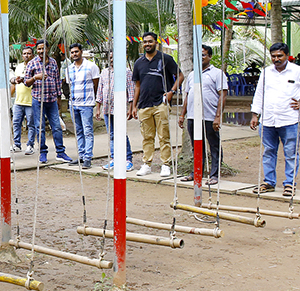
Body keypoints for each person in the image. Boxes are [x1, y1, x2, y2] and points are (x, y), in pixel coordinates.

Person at [249, 42, 300, 198]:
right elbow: (259, 93)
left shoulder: (298, 71)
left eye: (279, 56)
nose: (276, 59)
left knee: (290, 152)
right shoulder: (266, 72)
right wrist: (255, 114)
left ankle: (290, 183)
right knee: (268, 151)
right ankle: (269, 182)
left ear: (286, 55)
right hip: (268, 119)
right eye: (273, 56)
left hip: (289, 119)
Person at [131, 32, 181, 177]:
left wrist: (172, 91)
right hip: (144, 104)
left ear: (156, 43)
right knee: (147, 137)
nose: (147, 44)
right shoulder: (139, 63)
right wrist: (134, 106)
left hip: (161, 103)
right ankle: (147, 164)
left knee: (164, 136)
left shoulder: (165, 59)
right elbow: (137, 86)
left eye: (150, 42)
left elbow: (180, 75)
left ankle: (166, 165)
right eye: (145, 42)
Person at [178, 44, 227, 185]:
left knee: (214, 145)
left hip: (210, 116)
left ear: (210, 56)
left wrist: (218, 116)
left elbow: (222, 96)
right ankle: (196, 172)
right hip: (193, 116)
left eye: (203, 55)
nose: (200, 58)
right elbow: (187, 96)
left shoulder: (217, 73)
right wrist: (182, 115)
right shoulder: (192, 75)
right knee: (197, 145)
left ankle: (214, 174)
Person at [25, 40, 73, 164]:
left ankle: (60, 152)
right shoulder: (32, 63)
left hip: (52, 100)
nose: (41, 51)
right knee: (39, 127)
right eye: (39, 49)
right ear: (36, 50)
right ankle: (42, 153)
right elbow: (26, 82)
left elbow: (57, 81)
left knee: (57, 126)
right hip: (38, 100)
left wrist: (58, 98)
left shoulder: (53, 63)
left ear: (48, 49)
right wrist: (36, 77)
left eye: (43, 48)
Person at [95, 51, 133, 171]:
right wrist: (98, 108)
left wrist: (131, 108)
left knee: (121, 133)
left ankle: (128, 159)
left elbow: (131, 90)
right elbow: (100, 90)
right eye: (110, 58)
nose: (112, 60)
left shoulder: (126, 72)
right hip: (106, 108)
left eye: (114, 57)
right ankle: (114, 158)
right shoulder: (104, 72)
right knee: (111, 134)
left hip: (119, 108)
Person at [66, 44, 100, 168]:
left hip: (86, 104)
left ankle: (87, 158)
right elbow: (70, 85)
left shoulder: (91, 66)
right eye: (72, 52)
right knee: (78, 131)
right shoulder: (69, 68)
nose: (74, 54)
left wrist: (94, 100)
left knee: (88, 131)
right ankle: (81, 156)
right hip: (73, 104)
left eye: (76, 51)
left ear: (81, 52)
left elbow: (96, 84)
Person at [11, 45, 35, 154]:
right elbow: (15, 82)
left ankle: (30, 145)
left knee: (31, 124)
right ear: (22, 55)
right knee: (16, 123)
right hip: (18, 101)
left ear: (32, 55)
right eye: (25, 53)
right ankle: (17, 144)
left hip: (31, 101)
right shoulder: (19, 67)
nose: (26, 55)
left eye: (29, 53)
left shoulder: (36, 66)